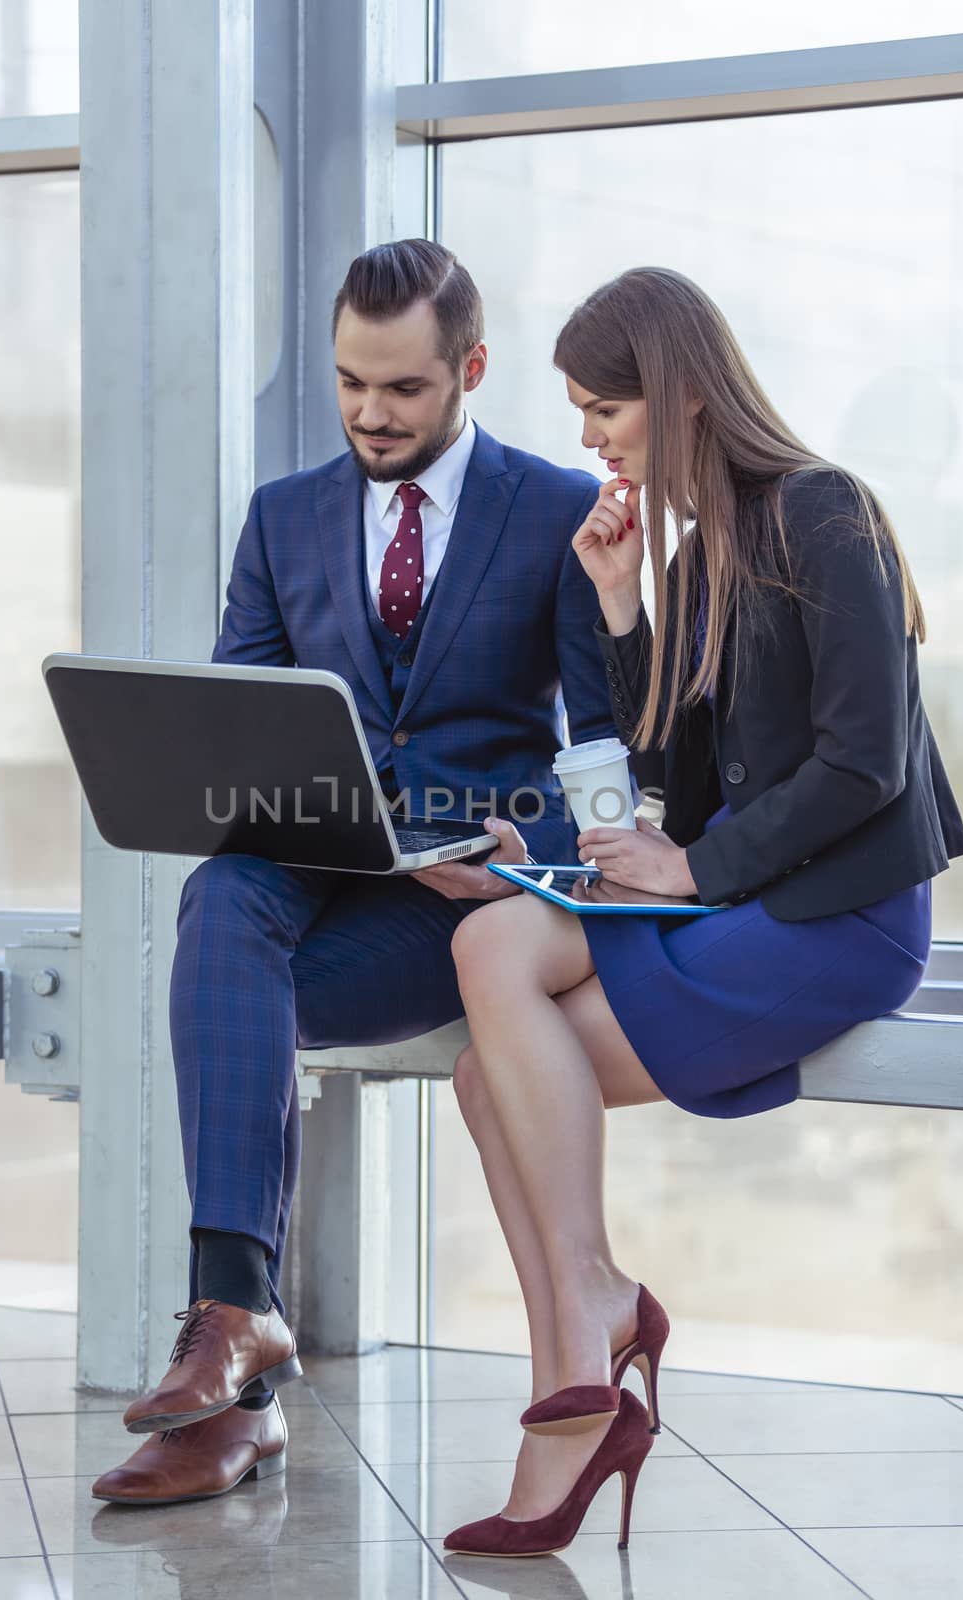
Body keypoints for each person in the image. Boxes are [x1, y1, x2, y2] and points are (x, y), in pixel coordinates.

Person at [442, 266, 963, 1559]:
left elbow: (867, 764)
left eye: (598, 408)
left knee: (486, 1051)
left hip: (838, 921)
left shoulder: (826, 511)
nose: (587, 439)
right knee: (483, 985)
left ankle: (583, 1343)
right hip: (740, 895)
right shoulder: (702, 549)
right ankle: (592, 1312)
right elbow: (669, 783)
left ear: (671, 395)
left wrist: (694, 869)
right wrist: (625, 613)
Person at [91, 240, 616, 1506]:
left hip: (462, 902)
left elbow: (601, 739)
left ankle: (237, 1401)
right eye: (350, 385)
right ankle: (238, 1320)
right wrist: (359, 823)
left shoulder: (554, 510)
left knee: (233, 986)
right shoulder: (283, 515)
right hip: (320, 856)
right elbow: (250, 720)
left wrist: (547, 858)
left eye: (405, 390)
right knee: (217, 894)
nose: (372, 414)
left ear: (470, 369)